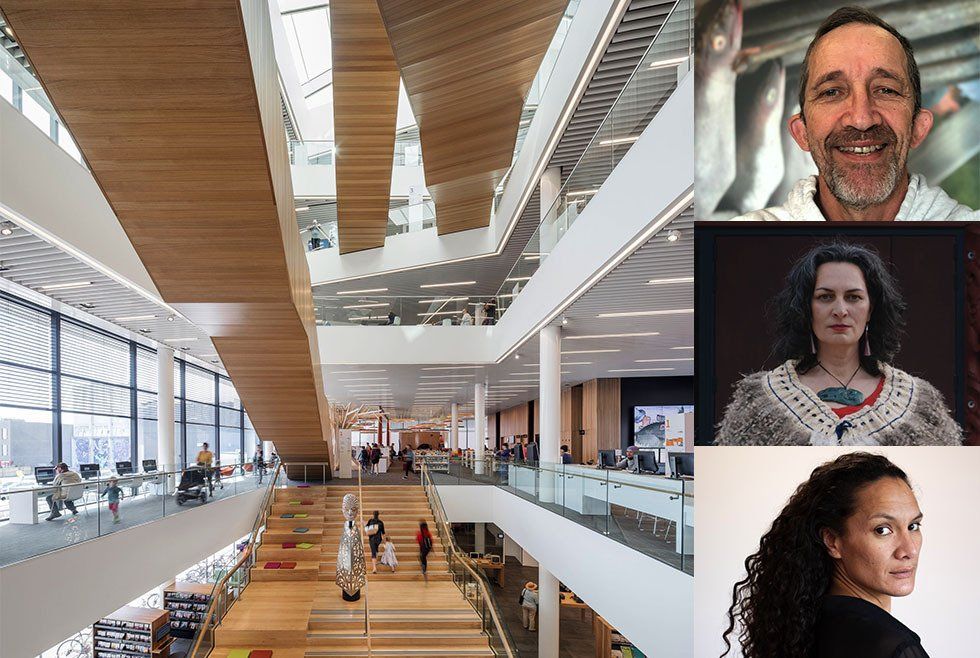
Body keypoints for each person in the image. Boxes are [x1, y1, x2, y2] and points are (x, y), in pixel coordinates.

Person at [733, 7, 978, 222]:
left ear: (918, 127)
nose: (861, 119)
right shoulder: (733, 249)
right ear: (802, 132)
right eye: (832, 92)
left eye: (885, 90)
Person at [717, 242, 962, 445]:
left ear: (871, 309)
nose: (840, 310)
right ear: (806, 308)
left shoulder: (919, 403)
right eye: (825, 297)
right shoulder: (761, 400)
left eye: (853, 297)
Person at [722, 452, 929, 657]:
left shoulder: (800, 625)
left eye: (913, 526)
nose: (909, 550)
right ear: (832, 541)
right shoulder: (893, 646)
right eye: (882, 530)